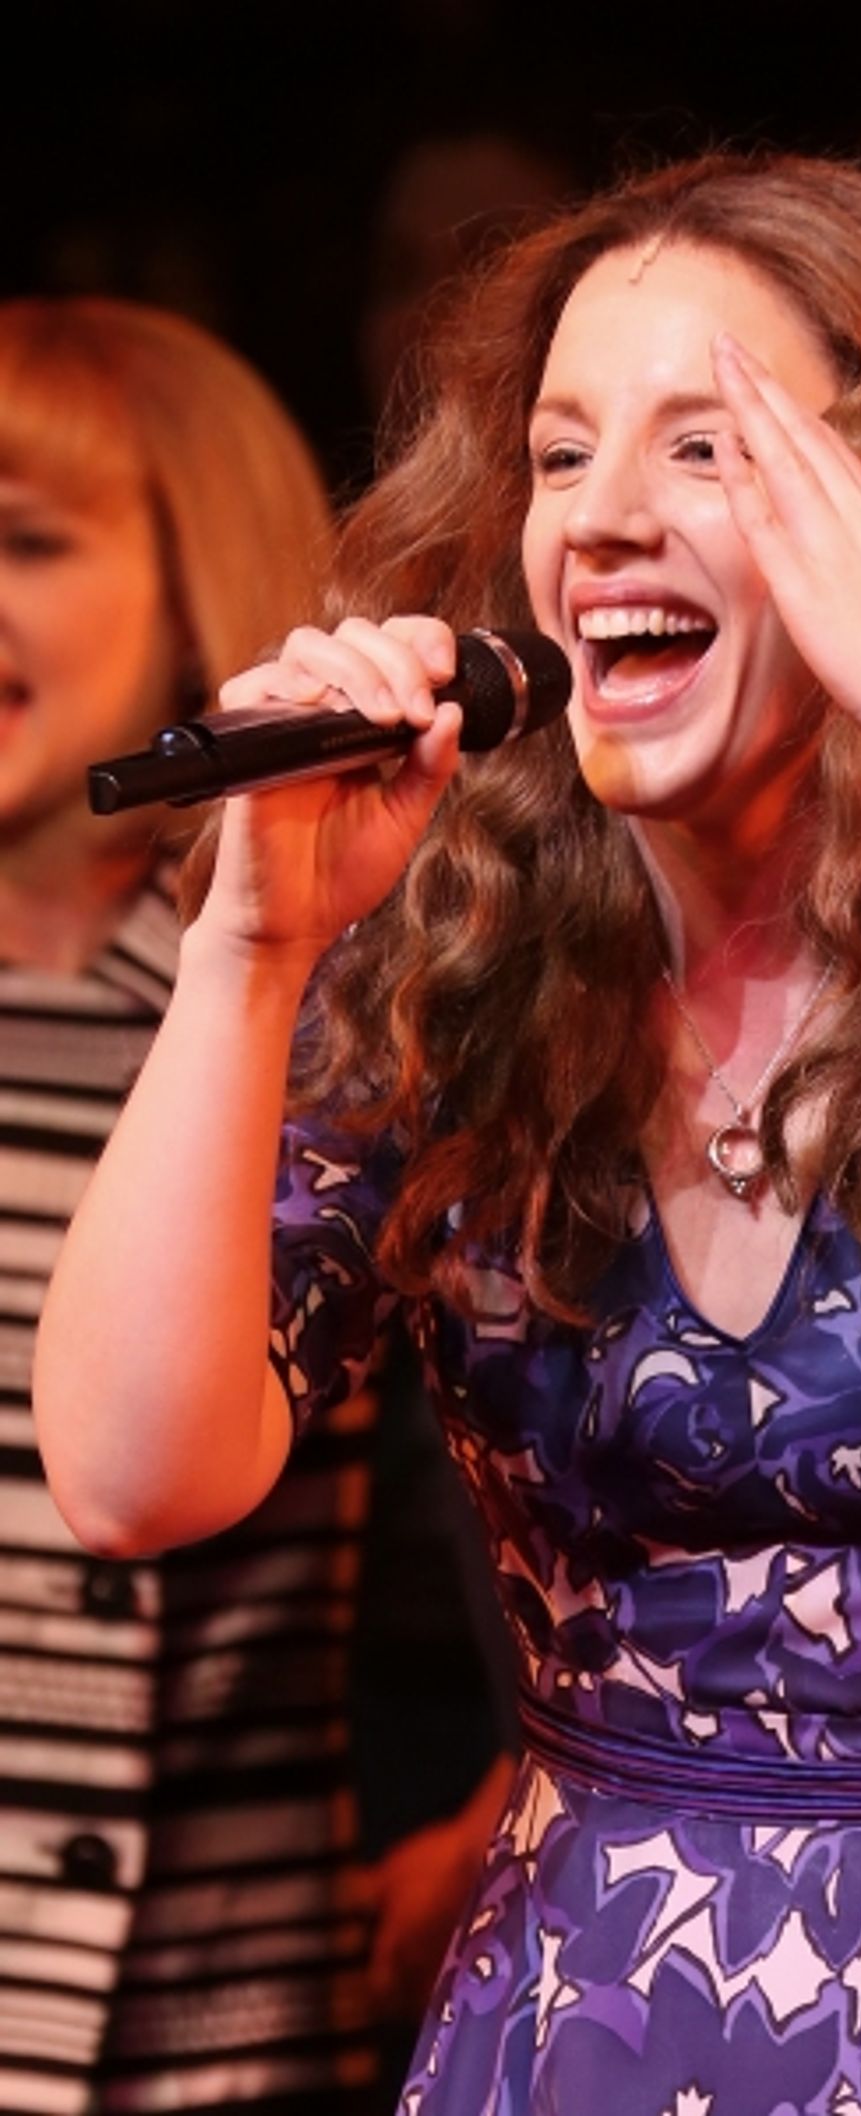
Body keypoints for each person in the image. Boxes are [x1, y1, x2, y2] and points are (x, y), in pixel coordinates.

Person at [31, 154, 861, 2114]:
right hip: (608, 2006)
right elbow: (130, 1470)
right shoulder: (457, 947)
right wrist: (252, 951)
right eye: (559, 452)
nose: (597, 520)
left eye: (703, 448)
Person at [0, 295, 502, 2116]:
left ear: (197, 568)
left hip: (220, 2026)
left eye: (29, 542)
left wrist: (499, 1832)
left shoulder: (321, 1007)